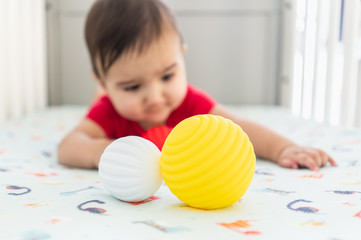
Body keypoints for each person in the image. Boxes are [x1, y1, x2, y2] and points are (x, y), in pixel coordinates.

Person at [58, 0, 337, 171]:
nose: (155, 97)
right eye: (132, 87)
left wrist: (283, 149)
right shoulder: (109, 112)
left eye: (167, 77)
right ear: (104, 82)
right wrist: (100, 152)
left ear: (182, 55)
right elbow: (68, 146)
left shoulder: (191, 103)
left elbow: (240, 128)